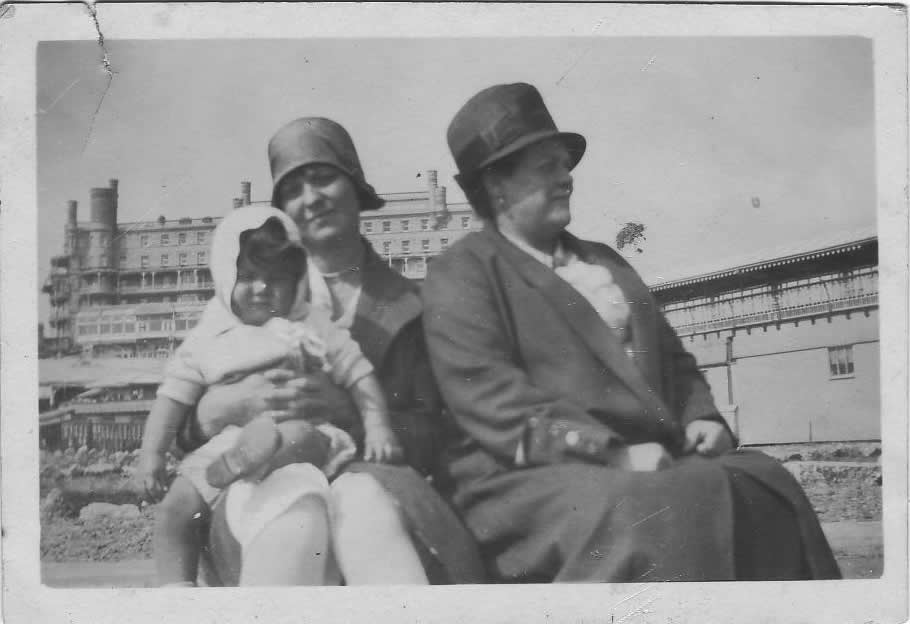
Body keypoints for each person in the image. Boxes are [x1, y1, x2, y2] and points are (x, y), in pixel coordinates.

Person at [422, 82, 842, 583]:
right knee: (658, 511)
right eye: (546, 166)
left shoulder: (606, 261)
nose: (566, 178)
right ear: (497, 184)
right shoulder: (462, 272)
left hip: (648, 457)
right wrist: (614, 452)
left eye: (565, 165)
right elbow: (493, 402)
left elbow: (674, 359)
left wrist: (701, 415)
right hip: (525, 477)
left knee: (765, 486)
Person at [179, 117, 485, 586]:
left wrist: (355, 413)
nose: (311, 198)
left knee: (362, 507)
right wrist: (213, 411)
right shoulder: (240, 301)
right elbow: (183, 408)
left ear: (356, 188)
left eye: (324, 178)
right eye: (293, 190)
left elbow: (440, 432)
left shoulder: (412, 306)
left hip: (380, 494)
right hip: (262, 487)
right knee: (290, 518)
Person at [139, 205, 405, 587]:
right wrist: (152, 454)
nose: (262, 288)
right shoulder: (210, 334)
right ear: (225, 275)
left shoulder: (310, 323)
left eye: (277, 279)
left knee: (297, 436)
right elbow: (173, 395)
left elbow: (358, 371)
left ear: (297, 281)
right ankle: (176, 593)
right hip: (228, 446)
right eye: (248, 277)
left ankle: (254, 458)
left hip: (302, 429)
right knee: (174, 510)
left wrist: (377, 425)